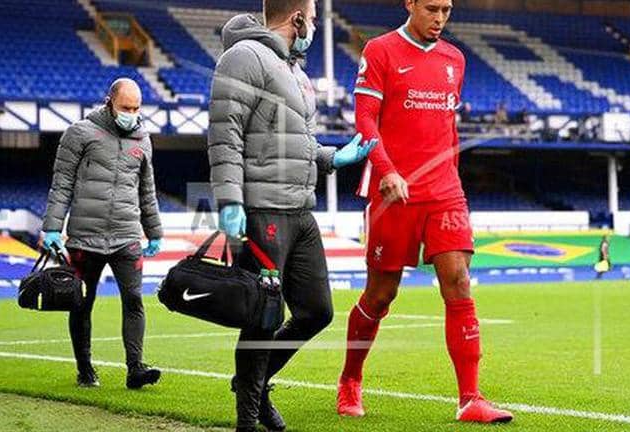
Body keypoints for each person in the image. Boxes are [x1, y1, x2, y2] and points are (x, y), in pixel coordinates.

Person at [337, 0, 513, 424]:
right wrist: (387, 171)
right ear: (410, 3)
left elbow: (447, 128)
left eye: (447, 10)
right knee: (381, 295)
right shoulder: (380, 50)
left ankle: (470, 399)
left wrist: (452, 180)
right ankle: (350, 379)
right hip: (393, 191)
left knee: (459, 281)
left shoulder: (455, 59)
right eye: (431, 8)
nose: (439, 18)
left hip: (444, 191)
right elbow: (365, 120)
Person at [207, 2, 376, 431]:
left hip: (301, 208)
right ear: (297, 19)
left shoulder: (293, 71)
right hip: (263, 207)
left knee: (317, 311)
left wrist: (332, 158)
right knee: (263, 314)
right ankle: (248, 417)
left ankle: (252, 382)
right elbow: (225, 133)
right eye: (314, 19)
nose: (315, 27)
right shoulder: (243, 56)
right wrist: (229, 200)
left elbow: (296, 142)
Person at [41, 78, 163, 389]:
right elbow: (62, 184)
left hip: (127, 236)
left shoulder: (143, 139)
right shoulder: (80, 133)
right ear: (110, 102)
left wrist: (154, 231)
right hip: (85, 238)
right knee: (82, 303)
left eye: (136, 109)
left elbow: (147, 191)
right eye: (126, 107)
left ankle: (135, 369)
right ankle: (85, 369)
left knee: (134, 300)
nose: (131, 114)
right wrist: (52, 227)